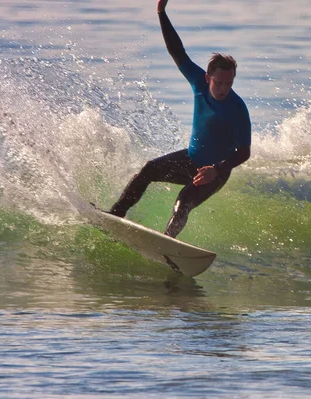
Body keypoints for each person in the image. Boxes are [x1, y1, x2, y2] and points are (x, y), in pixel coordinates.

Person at [108, 0, 252, 238]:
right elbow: (177, 51)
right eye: (220, 82)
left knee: (183, 200)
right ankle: (115, 215)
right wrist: (161, 13)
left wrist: (217, 169)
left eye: (229, 83)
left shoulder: (237, 108)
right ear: (208, 78)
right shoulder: (197, 81)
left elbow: (244, 151)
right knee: (149, 169)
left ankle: (168, 243)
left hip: (214, 172)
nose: (224, 88)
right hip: (190, 158)